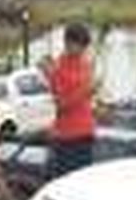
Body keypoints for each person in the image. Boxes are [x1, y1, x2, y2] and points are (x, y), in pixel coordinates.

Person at [40, 22, 97, 180]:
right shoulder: (59, 68)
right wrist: (86, 93)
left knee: (84, 180)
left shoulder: (85, 63)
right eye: (79, 45)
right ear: (68, 42)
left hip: (86, 132)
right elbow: (61, 104)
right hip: (67, 136)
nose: (82, 50)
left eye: (84, 47)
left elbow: (86, 97)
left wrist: (90, 96)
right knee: (66, 182)